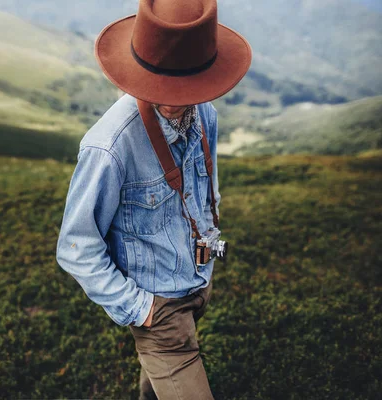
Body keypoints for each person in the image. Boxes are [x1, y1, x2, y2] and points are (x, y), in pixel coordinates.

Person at [55, 0, 251, 398]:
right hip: (155, 309)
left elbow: (208, 190)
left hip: (198, 281)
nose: (189, 96)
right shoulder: (109, 147)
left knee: (157, 387)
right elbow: (75, 247)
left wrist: (210, 243)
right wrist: (141, 308)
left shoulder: (205, 115)